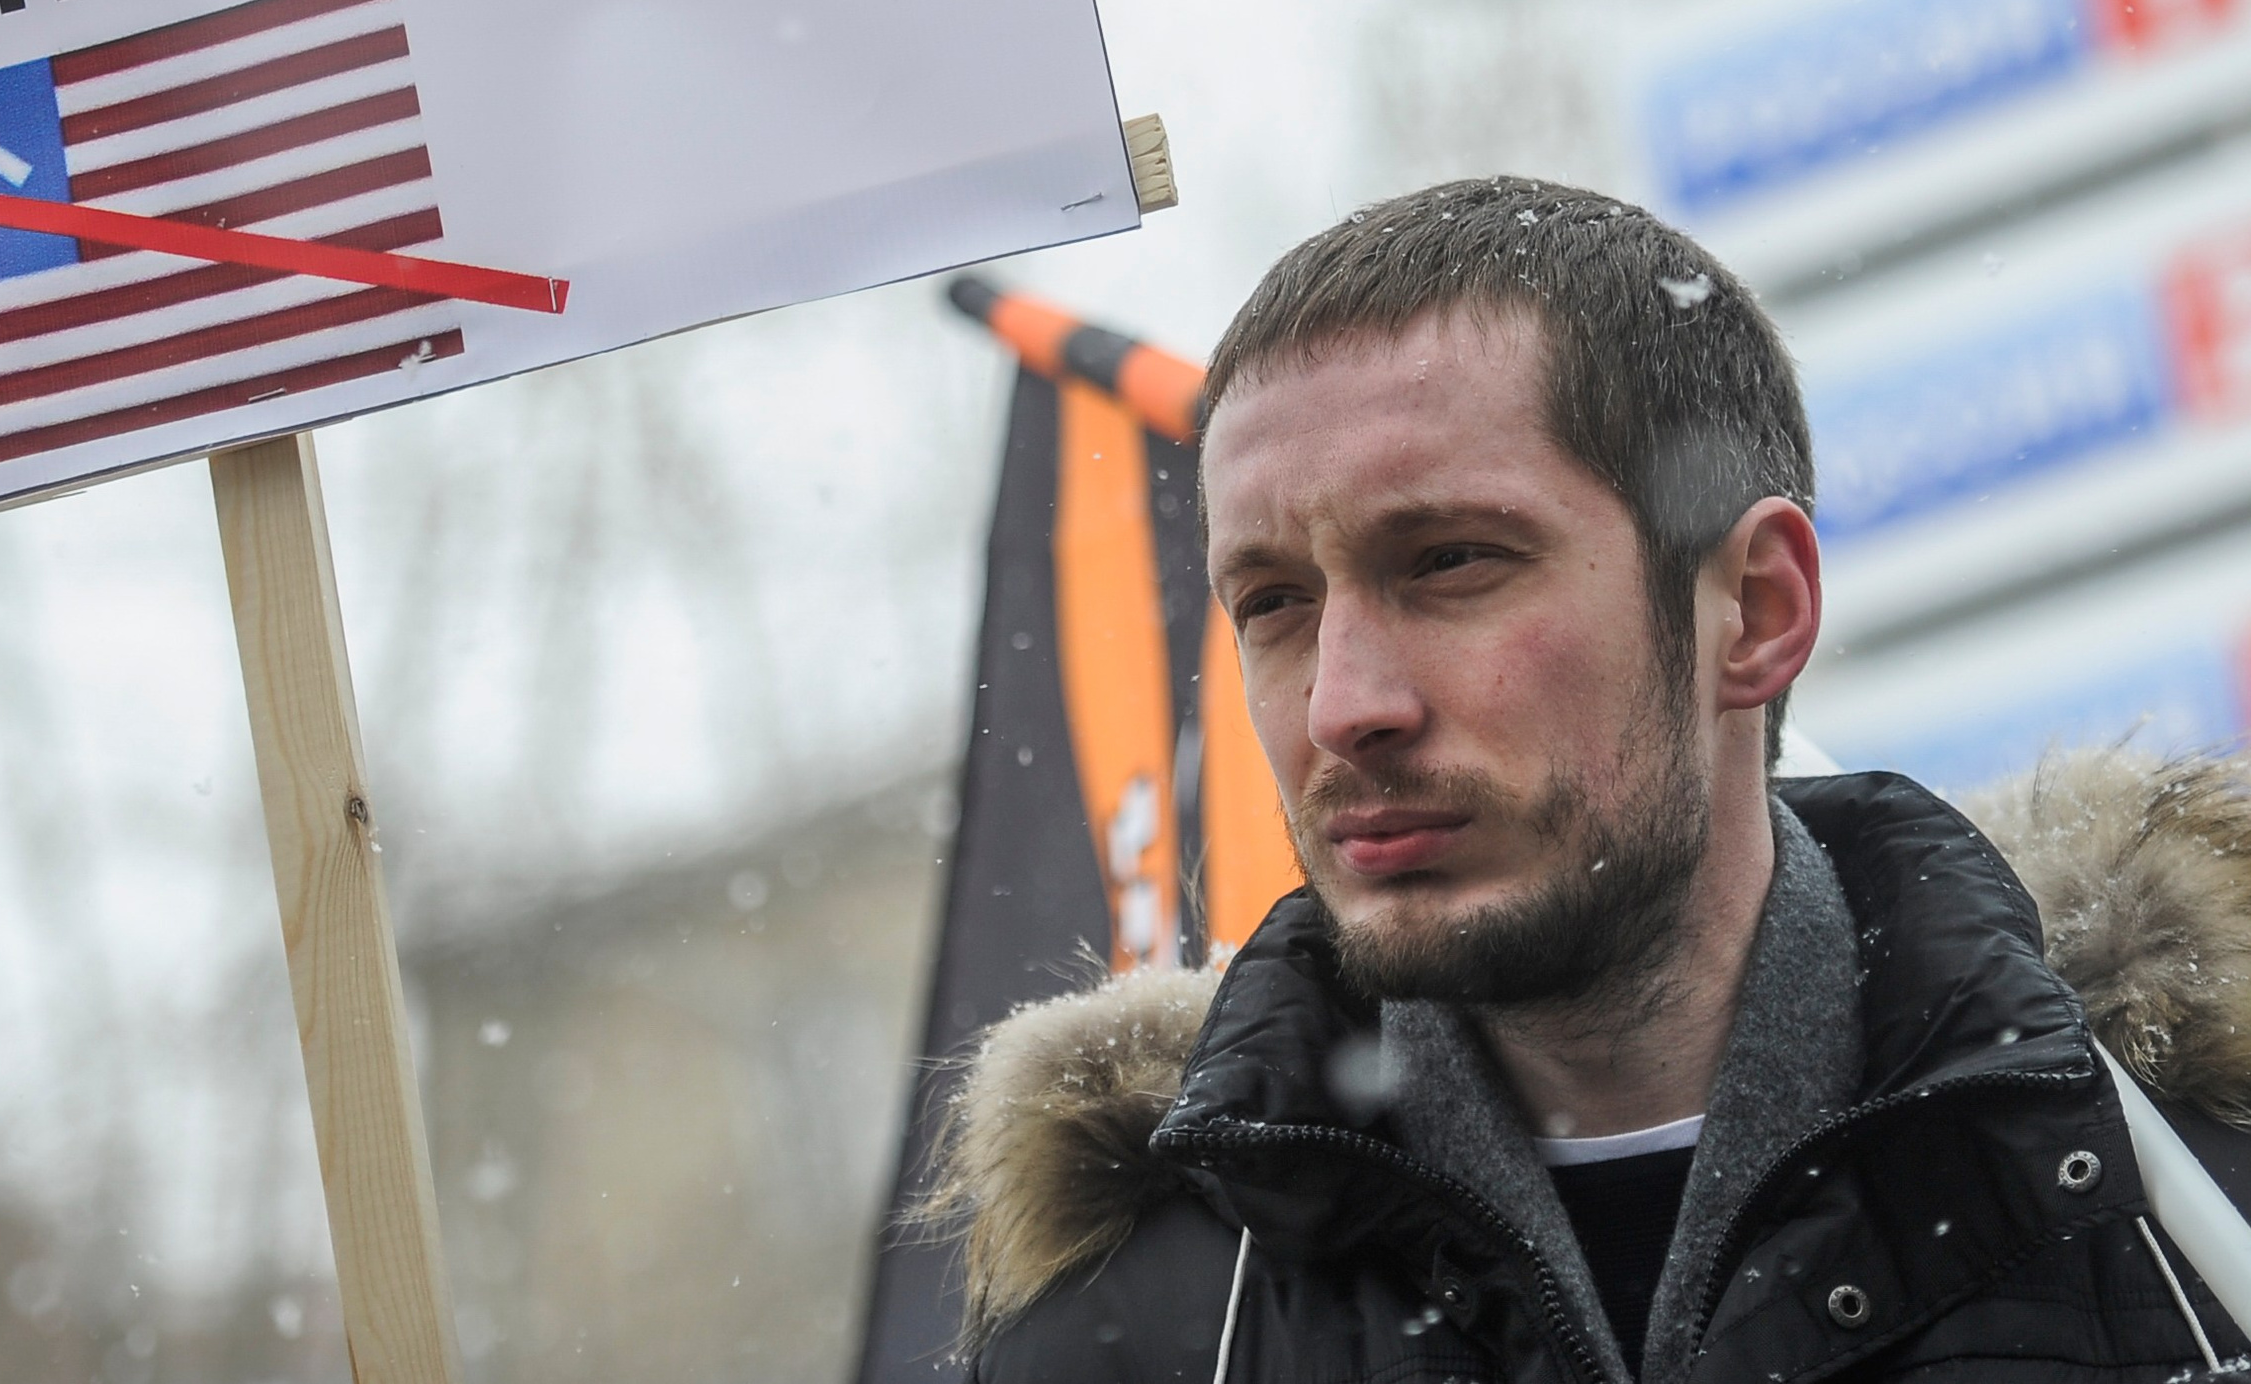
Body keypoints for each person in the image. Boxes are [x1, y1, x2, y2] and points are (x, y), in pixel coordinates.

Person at [931, 175, 2251, 1384]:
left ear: (1755, 608)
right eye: (1272, 602)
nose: (1344, 707)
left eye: (1448, 561)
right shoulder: (1142, 1337)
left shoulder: (2187, 1190)